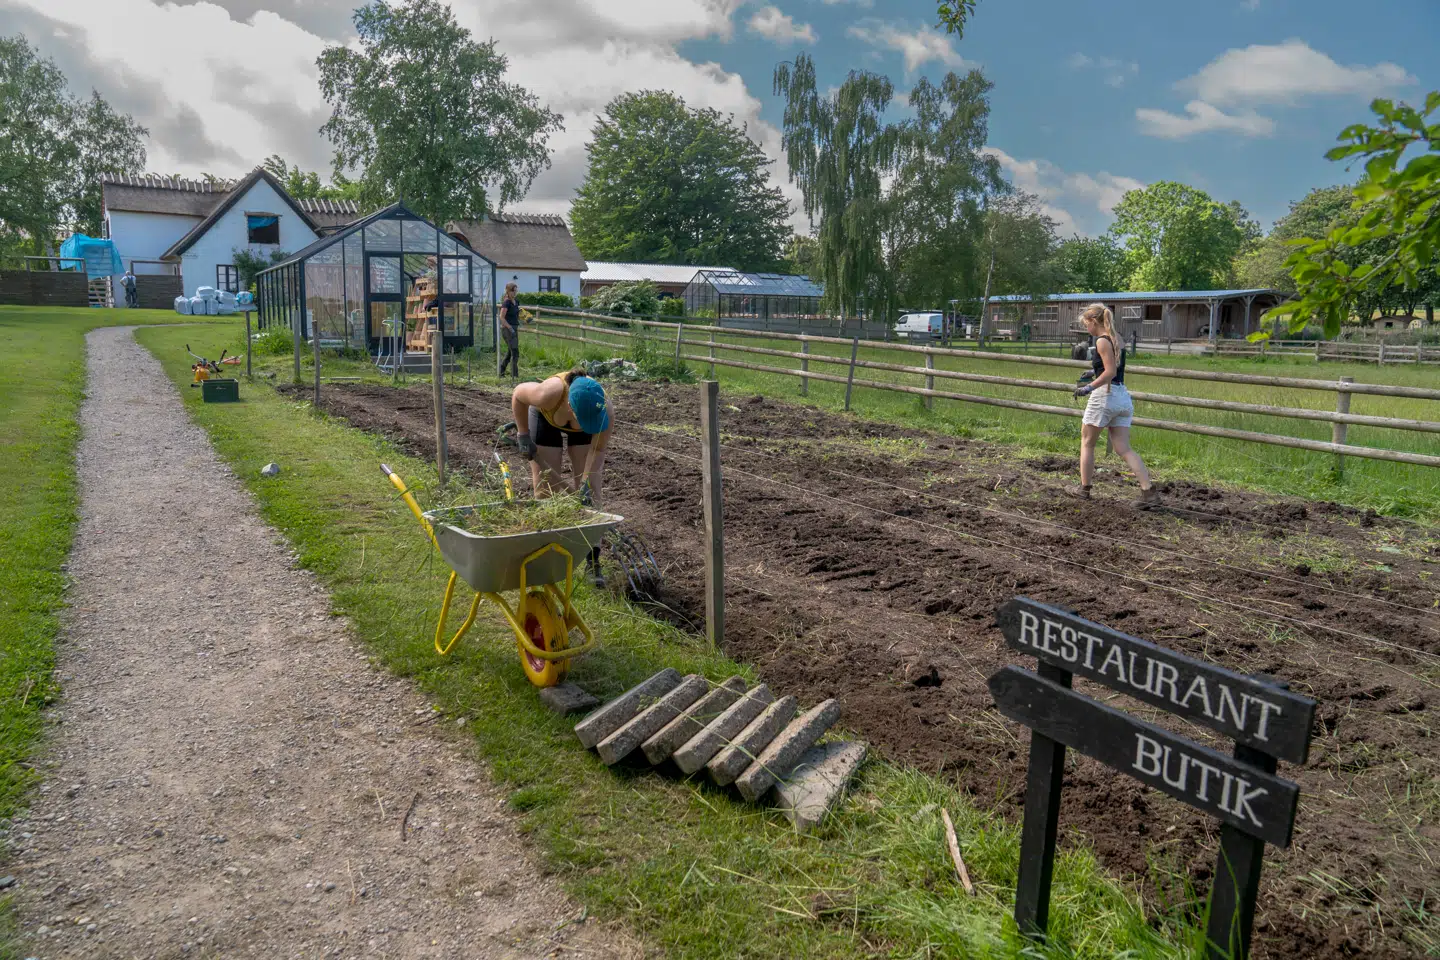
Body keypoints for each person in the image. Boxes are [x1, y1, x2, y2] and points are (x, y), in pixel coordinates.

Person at [511, 367, 613, 580]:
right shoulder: (548, 393)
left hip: (583, 428)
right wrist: (523, 435)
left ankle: (592, 562)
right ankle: (544, 554)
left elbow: (598, 450)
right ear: (570, 407)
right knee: (546, 487)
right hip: (546, 418)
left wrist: (585, 484)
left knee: (591, 491)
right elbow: (519, 394)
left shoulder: (603, 410)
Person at [1071, 303, 1158, 508]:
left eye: (1086, 324)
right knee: (1124, 448)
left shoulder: (1101, 341)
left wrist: (1088, 388)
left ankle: (1084, 490)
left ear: (1093, 321)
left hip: (1105, 396)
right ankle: (1149, 493)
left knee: (1087, 443)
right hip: (1122, 397)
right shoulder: (1117, 338)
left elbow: (1109, 372)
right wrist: (1094, 371)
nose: (1086, 329)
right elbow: (1113, 367)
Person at [499, 282, 521, 377]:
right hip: (507, 329)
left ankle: (501, 371)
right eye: (513, 291)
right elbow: (502, 317)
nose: (514, 293)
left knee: (510, 352)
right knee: (515, 351)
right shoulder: (506, 302)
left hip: (514, 328)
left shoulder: (516, 302)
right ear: (508, 291)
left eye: (515, 291)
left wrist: (523, 316)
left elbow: (516, 315)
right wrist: (510, 327)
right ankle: (514, 375)